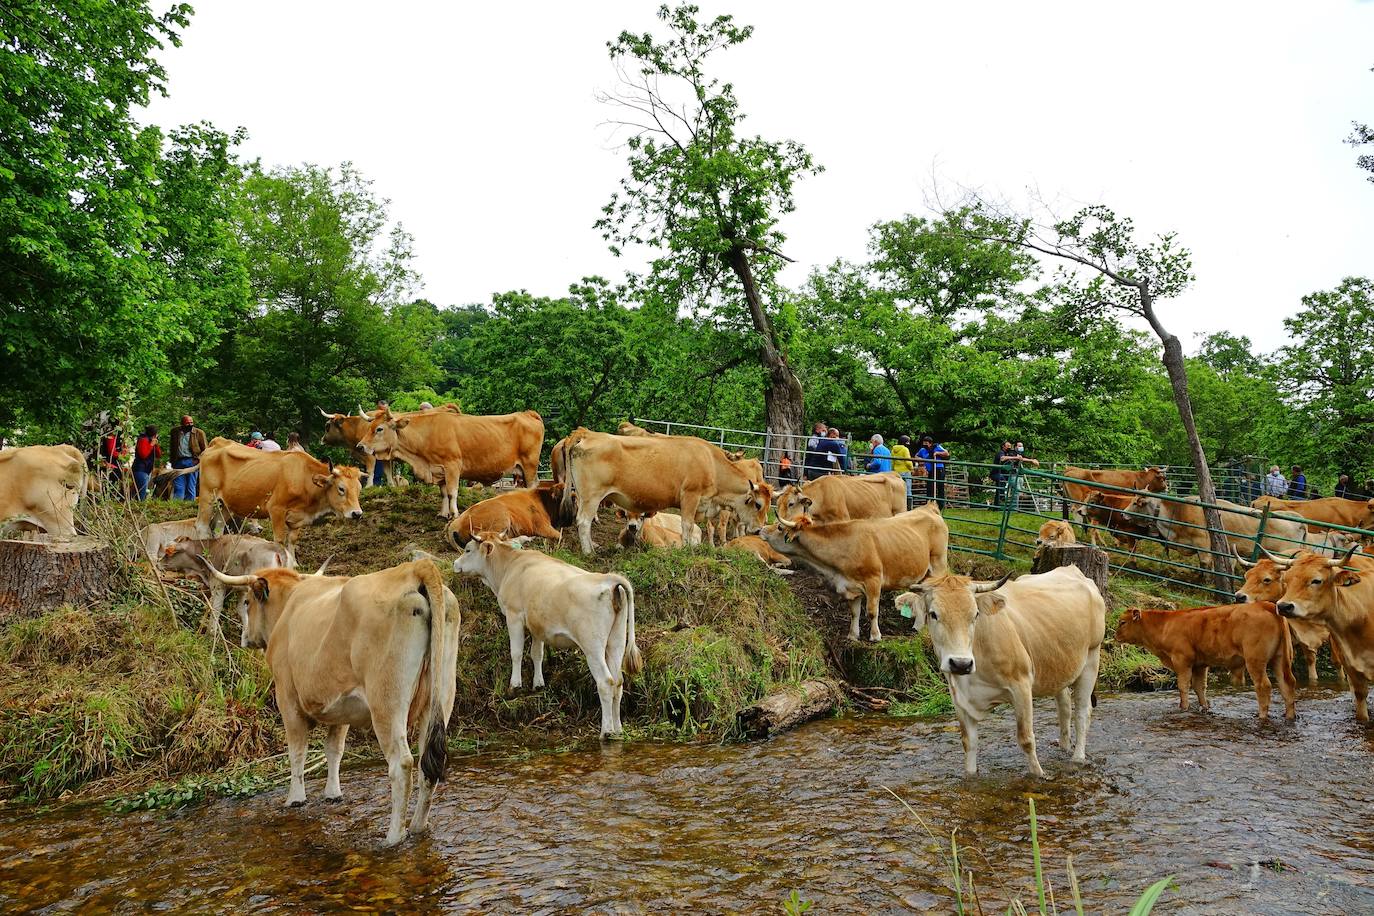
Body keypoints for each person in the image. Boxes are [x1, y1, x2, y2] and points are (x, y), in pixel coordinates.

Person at [169, 415, 207, 501]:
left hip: (192, 462)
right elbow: (172, 447)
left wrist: (198, 460)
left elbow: (205, 450)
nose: (190, 425)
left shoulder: (199, 433)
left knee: (190, 486)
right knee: (178, 487)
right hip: (178, 462)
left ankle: (189, 506)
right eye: (187, 423)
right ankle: (178, 507)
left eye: (191, 422)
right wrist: (172, 461)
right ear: (182, 424)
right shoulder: (175, 432)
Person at [917, 435, 951, 508]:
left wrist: (937, 453)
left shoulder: (936, 447)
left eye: (926, 444)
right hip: (931, 471)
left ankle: (940, 505)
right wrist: (922, 460)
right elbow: (916, 456)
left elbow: (946, 453)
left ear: (930, 443)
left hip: (938, 469)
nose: (925, 445)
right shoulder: (922, 450)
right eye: (924, 443)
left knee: (940, 487)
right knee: (930, 487)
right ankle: (929, 504)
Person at [131, 425, 161, 501]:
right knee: (141, 492)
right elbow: (143, 454)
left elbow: (158, 455)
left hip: (147, 469)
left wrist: (156, 445)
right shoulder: (143, 440)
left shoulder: (151, 441)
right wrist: (151, 445)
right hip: (140, 469)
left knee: (142, 491)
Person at [99, 426, 127, 498]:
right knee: (113, 478)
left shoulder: (120, 437)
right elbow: (112, 452)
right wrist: (122, 455)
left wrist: (124, 452)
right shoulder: (111, 437)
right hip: (109, 462)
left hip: (116, 463)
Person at [891, 434, 914, 507]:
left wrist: (893, 470)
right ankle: (909, 508)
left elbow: (892, 462)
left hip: (896, 472)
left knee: (898, 490)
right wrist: (911, 468)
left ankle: (899, 506)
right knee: (908, 490)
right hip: (906, 472)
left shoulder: (893, 450)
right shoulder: (905, 449)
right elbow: (908, 461)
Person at [372, 399, 391, 485]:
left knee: (389, 463)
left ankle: (390, 483)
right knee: (377, 462)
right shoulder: (375, 418)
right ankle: (377, 483)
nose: (382, 411)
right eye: (380, 409)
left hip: (389, 445)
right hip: (377, 445)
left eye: (384, 410)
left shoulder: (390, 418)